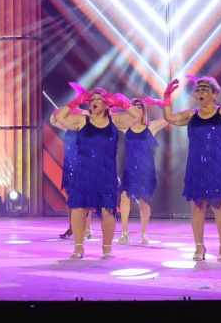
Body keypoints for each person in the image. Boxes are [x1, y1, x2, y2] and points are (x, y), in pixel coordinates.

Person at [164, 75, 221, 262]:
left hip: (218, 166)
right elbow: (169, 117)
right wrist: (167, 96)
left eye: (204, 89)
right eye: (198, 89)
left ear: (214, 94)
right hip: (196, 167)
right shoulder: (191, 115)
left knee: (220, 206)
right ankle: (199, 247)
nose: (200, 92)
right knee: (197, 207)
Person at [48, 87, 137, 260]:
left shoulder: (115, 121)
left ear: (106, 103)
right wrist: (75, 102)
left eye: (98, 99)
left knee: (107, 211)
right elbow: (59, 116)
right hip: (83, 172)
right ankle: (79, 248)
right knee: (79, 209)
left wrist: (122, 102)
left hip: (106, 173)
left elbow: (137, 116)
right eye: (91, 99)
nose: (94, 102)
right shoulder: (82, 121)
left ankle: (107, 249)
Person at [118, 96, 170, 244]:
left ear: (144, 110)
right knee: (124, 197)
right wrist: (117, 103)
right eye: (133, 107)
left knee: (144, 202)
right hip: (129, 168)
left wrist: (160, 103)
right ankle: (125, 233)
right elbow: (111, 118)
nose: (136, 109)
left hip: (145, 170)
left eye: (139, 107)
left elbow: (169, 118)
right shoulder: (125, 127)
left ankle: (144, 233)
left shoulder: (151, 127)